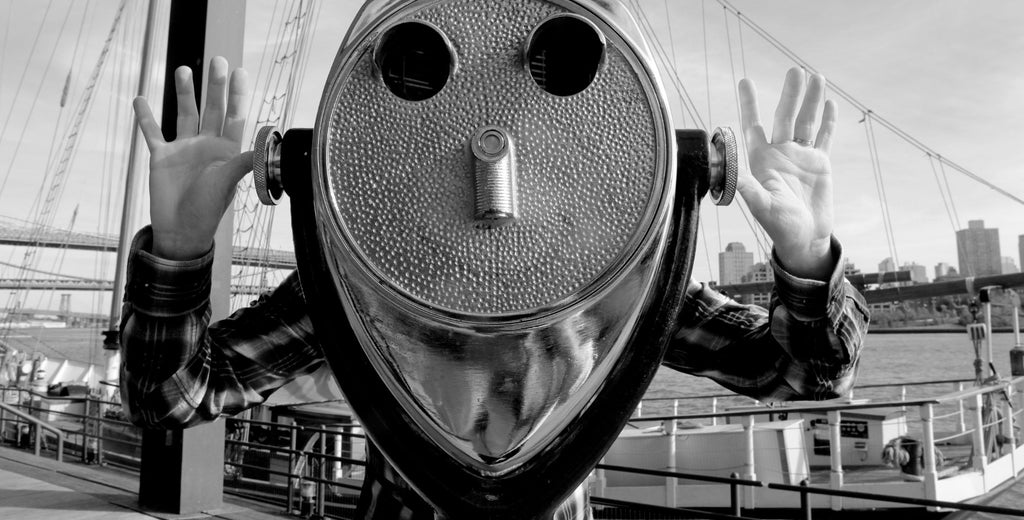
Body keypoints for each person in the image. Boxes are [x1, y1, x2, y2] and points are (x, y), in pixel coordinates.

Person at [120, 56, 869, 520]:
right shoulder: (361, 283)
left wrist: (806, 255)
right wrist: (181, 250)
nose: (489, 162)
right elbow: (173, 396)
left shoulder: (614, 283)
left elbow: (806, 373)